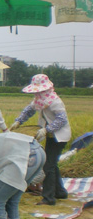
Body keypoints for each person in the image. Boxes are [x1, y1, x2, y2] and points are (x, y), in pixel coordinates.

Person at [9, 74, 71, 206]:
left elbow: (62, 119)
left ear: (45, 89)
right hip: (51, 136)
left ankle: (49, 198)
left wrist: (47, 129)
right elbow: (29, 110)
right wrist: (19, 121)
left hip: (59, 136)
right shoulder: (39, 100)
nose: (37, 93)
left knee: (48, 166)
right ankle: (60, 192)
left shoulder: (55, 101)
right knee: (52, 164)